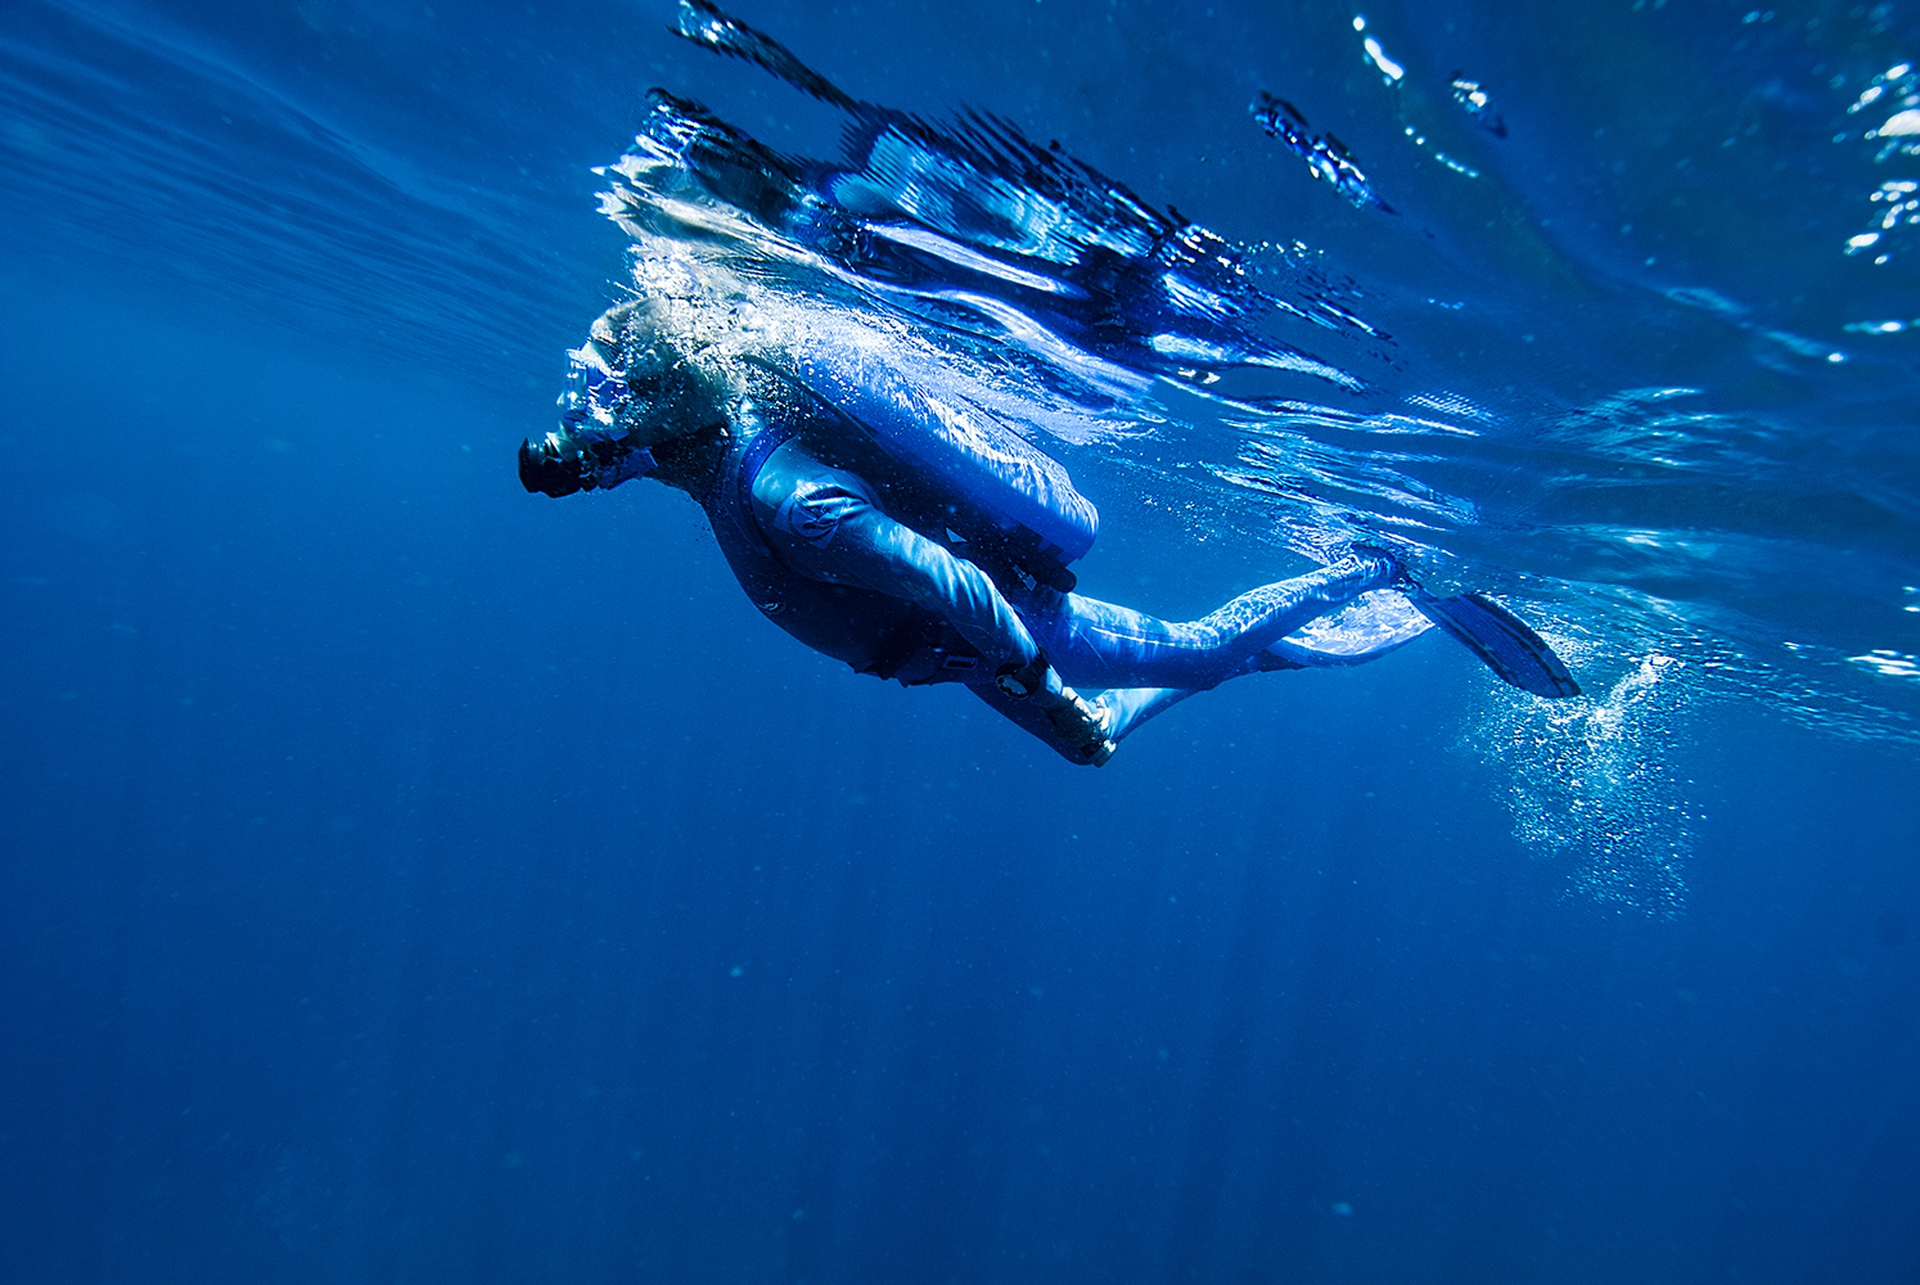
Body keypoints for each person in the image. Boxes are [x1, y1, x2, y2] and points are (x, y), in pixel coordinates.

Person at [519, 292, 1574, 765]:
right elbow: (630, 450)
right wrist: (591, 456)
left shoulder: (793, 506)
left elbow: (957, 588)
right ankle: (1282, 641)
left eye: (631, 407)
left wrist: (1038, 689)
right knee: (1102, 743)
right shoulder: (699, 447)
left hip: (995, 630)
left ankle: (1374, 565)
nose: (618, 435)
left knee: (1196, 653)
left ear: (683, 399)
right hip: (942, 655)